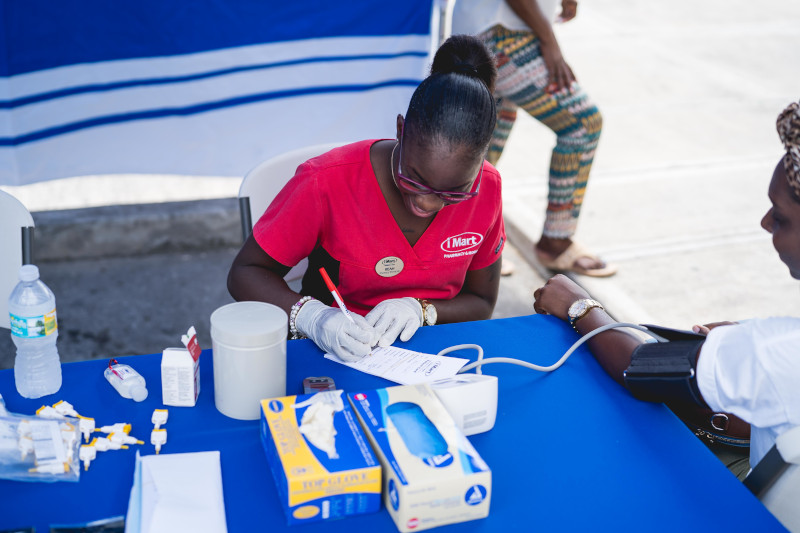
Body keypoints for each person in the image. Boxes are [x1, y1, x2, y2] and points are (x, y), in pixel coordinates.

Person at [532, 101, 800, 477]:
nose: (764, 221)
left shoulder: (776, 351)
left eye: (782, 216)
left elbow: (640, 368)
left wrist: (579, 304)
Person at [227, 35, 504, 362]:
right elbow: (245, 273)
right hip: (331, 352)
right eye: (413, 179)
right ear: (400, 130)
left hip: (436, 355)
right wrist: (313, 318)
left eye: (454, 193)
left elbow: (482, 303)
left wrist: (422, 310)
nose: (428, 204)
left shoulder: (487, 188)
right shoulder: (326, 182)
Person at [451, 0, 615, 277]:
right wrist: (550, 42)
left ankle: (464, 245)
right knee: (584, 124)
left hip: (490, 29)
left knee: (485, 140)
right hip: (503, 32)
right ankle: (556, 241)